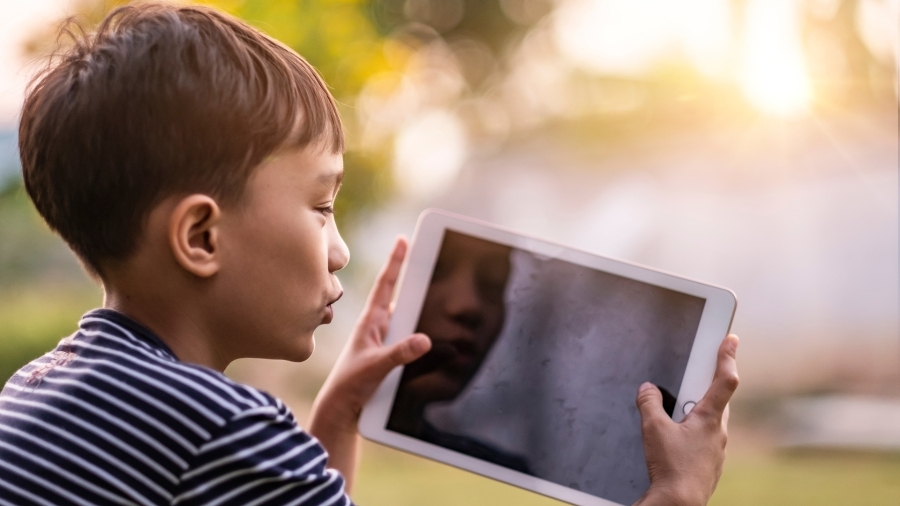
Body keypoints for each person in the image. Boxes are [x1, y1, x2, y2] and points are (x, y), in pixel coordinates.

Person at [0, 3, 739, 505]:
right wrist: (672, 497)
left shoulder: (36, 390)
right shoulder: (227, 429)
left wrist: (338, 419)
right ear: (201, 237)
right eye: (321, 208)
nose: (340, 250)